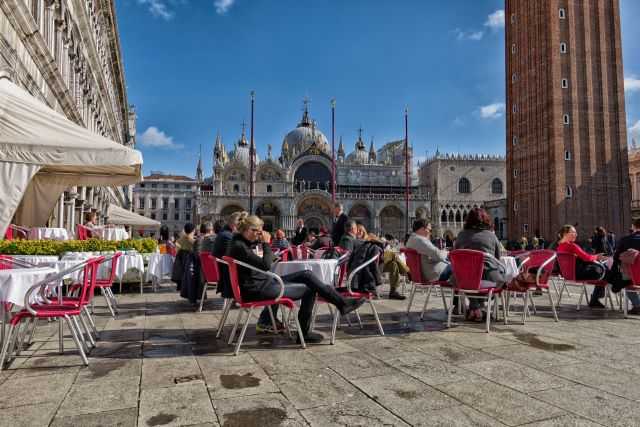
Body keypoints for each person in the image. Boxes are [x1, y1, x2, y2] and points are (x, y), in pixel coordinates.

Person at [226, 215, 366, 343]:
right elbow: (266, 265)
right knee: (310, 289)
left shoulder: (239, 242)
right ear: (248, 230)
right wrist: (266, 244)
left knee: (306, 274)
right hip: (258, 289)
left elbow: (259, 263)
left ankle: (341, 303)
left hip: (262, 283)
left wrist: (264, 247)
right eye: (257, 231)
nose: (259, 234)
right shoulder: (239, 246)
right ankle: (305, 332)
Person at [454, 208, 507, 322]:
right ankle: (479, 308)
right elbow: (497, 258)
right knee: (498, 276)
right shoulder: (491, 236)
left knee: (468, 280)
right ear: (485, 220)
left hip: (463, 279)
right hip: (488, 277)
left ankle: (475, 308)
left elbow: (455, 255)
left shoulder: (461, 235)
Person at [557, 225, 609, 308]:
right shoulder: (572, 246)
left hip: (568, 275)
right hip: (579, 274)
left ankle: (596, 298)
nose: (576, 234)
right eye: (573, 232)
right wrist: (597, 256)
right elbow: (587, 257)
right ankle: (596, 298)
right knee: (607, 272)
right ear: (565, 233)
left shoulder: (559, 247)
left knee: (605, 272)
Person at [212, 211, 248, 300]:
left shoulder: (225, 232)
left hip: (225, 269)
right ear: (236, 224)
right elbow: (239, 254)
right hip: (227, 272)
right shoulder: (227, 235)